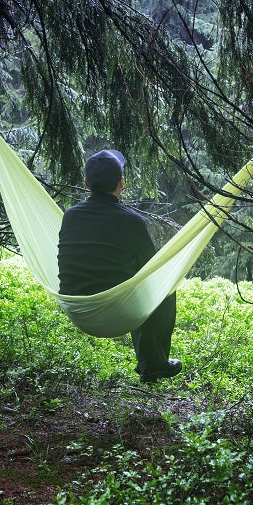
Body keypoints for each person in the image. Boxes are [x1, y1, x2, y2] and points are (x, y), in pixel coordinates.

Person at [57, 149, 181, 383]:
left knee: (132, 286)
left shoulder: (69, 216)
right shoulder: (132, 222)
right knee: (163, 289)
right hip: (117, 310)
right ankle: (154, 364)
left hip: (75, 306)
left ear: (86, 183)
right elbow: (151, 270)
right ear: (121, 183)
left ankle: (151, 364)